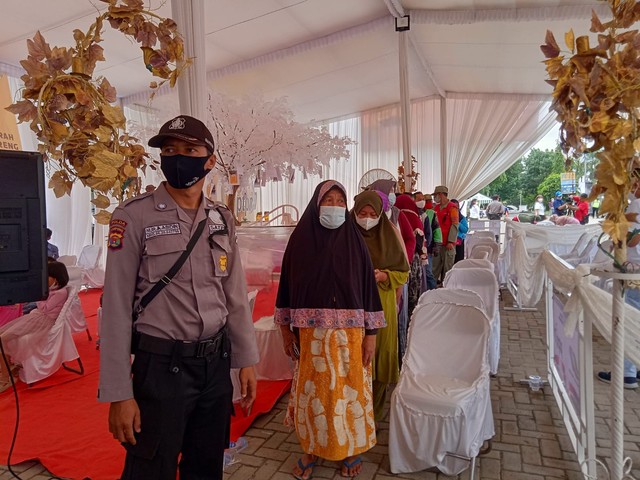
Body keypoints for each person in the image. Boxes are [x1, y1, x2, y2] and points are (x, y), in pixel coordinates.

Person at [98, 115, 259, 480]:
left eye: (190, 150)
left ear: (210, 160)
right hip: (160, 369)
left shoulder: (221, 218)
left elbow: (233, 294)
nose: (178, 157)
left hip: (214, 367)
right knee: (150, 469)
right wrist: (119, 393)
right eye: (170, 150)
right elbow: (116, 310)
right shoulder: (133, 216)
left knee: (206, 467)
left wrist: (246, 359)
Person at [275, 180, 385, 479]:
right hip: (311, 338)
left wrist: (371, 336)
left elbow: (367, 291)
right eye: (329, 200)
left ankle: (349, 449)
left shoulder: (355, 243)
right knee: (315, 395)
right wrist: (286, 331)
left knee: (349, 394)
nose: (334, 206)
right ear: (316, 203)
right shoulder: (300, 242)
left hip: (352, 337)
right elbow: (286, 288)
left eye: (340, 201)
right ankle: (310, 449)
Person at [352, 190, 410, 423]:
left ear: (380, 215)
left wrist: (385, 275)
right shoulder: (345, 235)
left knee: (380, 357)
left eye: (372, 213)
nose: (367, 218)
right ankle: (354, 413)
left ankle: (373, 416)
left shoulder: (390, 234)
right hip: (353, 304)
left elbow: (403, 272)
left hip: (381, 303)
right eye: (362, 213)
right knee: (357, 359)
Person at [0, 261, 69, 391]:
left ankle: (6, 375)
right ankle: (7, 368)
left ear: (56, 277)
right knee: (3, 336)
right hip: (37, 317)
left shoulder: (60, 292)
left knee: (3, 338)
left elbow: (45, 308)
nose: (44, 279)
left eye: (47, 276)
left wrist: (39, 295)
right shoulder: (53, 290)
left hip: (43, 321)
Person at [598, 178, 640, 389]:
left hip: (634, 271)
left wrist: (616, 236)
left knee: (629, 319)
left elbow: (632, 239)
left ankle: (626, 371)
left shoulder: (636, 205)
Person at [432, 185, 459, 284]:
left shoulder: (452, 207)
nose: (434, 197)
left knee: (447, 270)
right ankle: (431, 291)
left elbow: (455, 225)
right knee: (434, 269)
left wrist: (451, 241)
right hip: (438, 244)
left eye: (435, 195)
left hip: (448, 244)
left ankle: (446, 291)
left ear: (441, 194)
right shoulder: (436, 208)